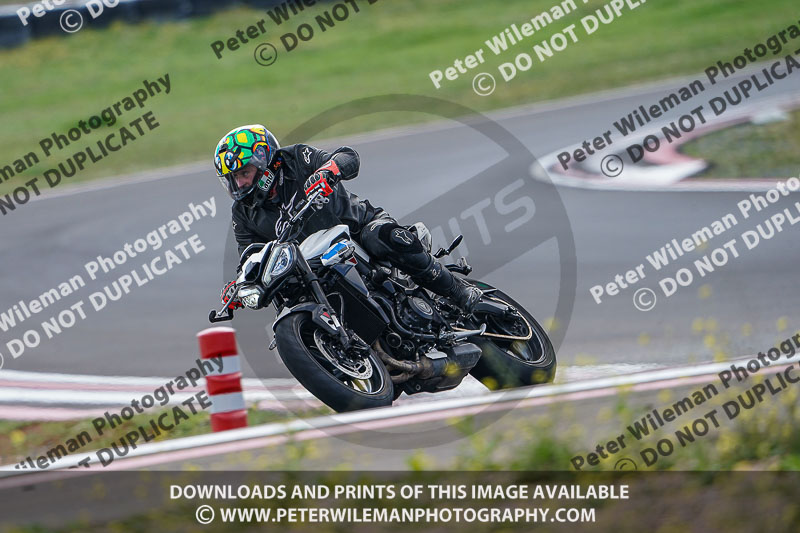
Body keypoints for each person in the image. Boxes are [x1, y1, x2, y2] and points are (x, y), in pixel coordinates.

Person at [214, 124, 481, 312]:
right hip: (313, 266)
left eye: (244, 173)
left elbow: (347, 156)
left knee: (382, 236)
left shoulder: (294, 159)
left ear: (264, 162)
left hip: (357, 231)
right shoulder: (243, 213)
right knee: (286, 293)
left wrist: (328, 171)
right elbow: (250, 256)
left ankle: (458, 291)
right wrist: (239, 285)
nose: (239, 184)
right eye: (233, 178)